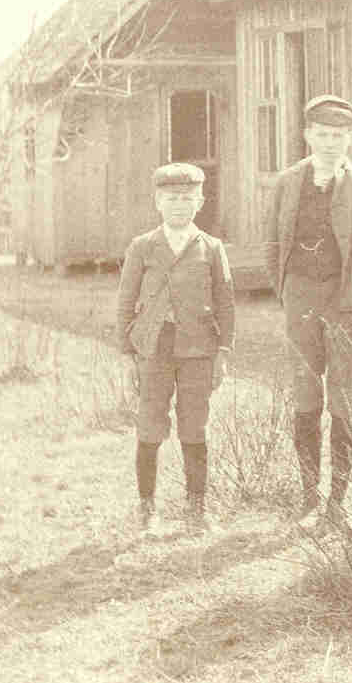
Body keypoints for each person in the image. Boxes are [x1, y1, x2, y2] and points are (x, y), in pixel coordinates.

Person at [269, 94, 352, 526]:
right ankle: (308, 496)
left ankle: (338, 502)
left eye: (339, 136)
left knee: (342, 396)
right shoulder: (288, 182)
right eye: (322, 134)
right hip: (300, 294)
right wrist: (284, 287)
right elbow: (272, 240)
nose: (330, 143)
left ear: (351, 139)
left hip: (346, 299)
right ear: (307, 135)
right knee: (304, 391)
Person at [116, 162, 234, 533]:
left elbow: (226, 302)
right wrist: (127, 354)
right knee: (150, 424)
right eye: (171, 198)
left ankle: (196, 509)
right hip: (153, 349)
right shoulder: (142, 247)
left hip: (198, 350)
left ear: (200, 202)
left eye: (187, 198)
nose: (179, 205)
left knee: (194, 426)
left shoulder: (211, 248)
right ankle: (147, 508)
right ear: (158, 202)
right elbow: (125, 300)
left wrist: (224, 352)